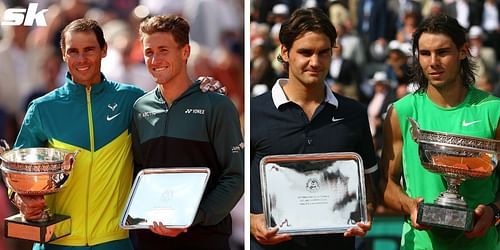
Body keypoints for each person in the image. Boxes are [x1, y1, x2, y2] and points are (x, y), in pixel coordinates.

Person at [8, 18, 224, 250]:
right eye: (73, 51)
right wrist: (23, 201)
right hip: (54, 243)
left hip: (114, 243)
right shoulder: (42, 108)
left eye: (89, 50)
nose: (81, 59)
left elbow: (173, 106)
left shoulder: (131, 100)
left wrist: (201, 91)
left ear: (104, 50)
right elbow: (16, 176)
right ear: (63, 54)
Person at [250, 7, 378, 250]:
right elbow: (234, 180)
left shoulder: (355, 113)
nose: (315, 62)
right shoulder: (254, 113)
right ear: (285, 52)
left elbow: (369, 187)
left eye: (323, 53)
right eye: (305, 52)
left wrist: (367, 212)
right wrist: (250, 220)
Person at [380, 14, 500, 250]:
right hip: (419, 245)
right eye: (425, 54)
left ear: (463, 51)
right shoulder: (402, 111)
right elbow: (386, 183)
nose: (433, 62)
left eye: (443, 52)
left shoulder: (494, 111)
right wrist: (410, 206)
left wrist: (493, 211)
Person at [130, 15, 244, 250]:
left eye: (163, 50)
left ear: (185, 52)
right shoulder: (139, 108)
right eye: (149, 51)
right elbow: (139, 173)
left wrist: (196, 216)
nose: (155, 59)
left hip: (205, 239)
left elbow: (235, 176)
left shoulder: (217, 106)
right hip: (150, 238)